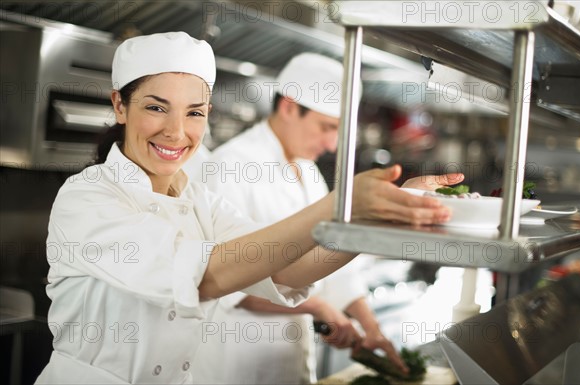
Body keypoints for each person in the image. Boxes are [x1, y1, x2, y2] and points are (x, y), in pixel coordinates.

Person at [35, 31, 458, 384]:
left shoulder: (198, 201)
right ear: (119, 106)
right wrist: (339, 206)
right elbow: (206, 276)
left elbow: (284, 268)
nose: (177, 131)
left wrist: (377, 217)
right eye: (156, 107)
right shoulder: (86, 198)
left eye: (195, 112)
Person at [192, 53, 464, 384]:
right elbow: (224, 281)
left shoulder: (308, 172)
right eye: (327, 127)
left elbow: (333, 260)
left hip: (290, 358)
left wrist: (371, 329)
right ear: (290, 107)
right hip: (234, 361)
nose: (332, 144)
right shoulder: (228, 167)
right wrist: (317, 307)